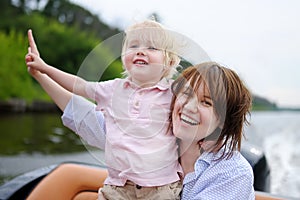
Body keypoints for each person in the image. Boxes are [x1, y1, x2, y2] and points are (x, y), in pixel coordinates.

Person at [25, 19, 183, 199]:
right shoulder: (113, 89)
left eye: (152, 48)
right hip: (118, 187)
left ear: (169, 62)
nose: (140, 51)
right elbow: (79, 86)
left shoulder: (174, 94)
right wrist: (44, 69)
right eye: (133, 46)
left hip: (161, 188)